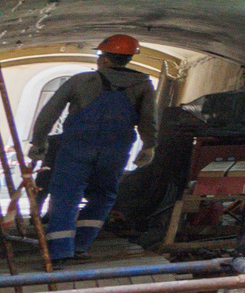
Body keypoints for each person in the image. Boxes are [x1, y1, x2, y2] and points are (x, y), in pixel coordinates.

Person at [27, 35, 158, 264]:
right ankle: (81, 244)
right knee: (103, 195)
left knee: (66, 195)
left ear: (104, 59)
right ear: (129, 59)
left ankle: (59, 251)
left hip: (76, 147)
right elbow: (149, 120)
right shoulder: (143, 85)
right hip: (115, 151)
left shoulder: (81, 81)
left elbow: (49, 113)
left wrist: (39, 143)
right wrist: (149, 146)